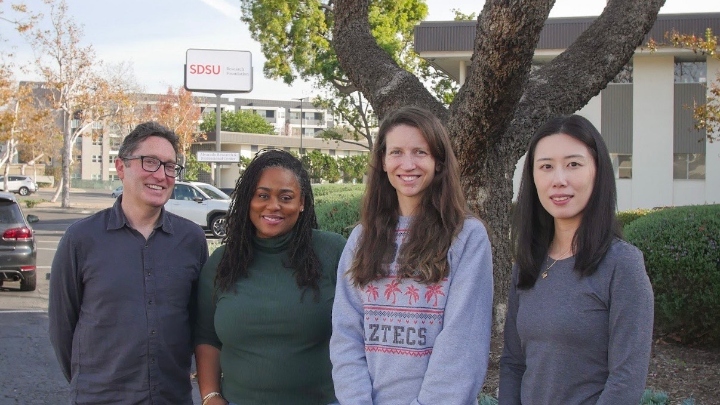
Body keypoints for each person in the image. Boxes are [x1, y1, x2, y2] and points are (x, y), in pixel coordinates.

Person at [330, 106, 494, 404]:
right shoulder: (361, 239)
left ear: (438, 162)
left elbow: (462, 346)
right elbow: (346, 335)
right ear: (382, 161)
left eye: (420, 152)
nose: (408, 164)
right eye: (396, 152)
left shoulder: (467, 237)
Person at [48, 121, 209, 404]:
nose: (161, 175)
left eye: (170, 166)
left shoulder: (192, 240)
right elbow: (62, 328)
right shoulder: (81, 239)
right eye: (150, 162)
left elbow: (198, 322)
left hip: (171, 398)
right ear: (121, 168)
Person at [499, 114, 654, 404]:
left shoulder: (622, 265)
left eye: (573, 164)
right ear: (533, 177)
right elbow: (513, 363)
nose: (559, 180)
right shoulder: (528, 265)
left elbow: (626, 381)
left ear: (598, 172)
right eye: (546, 167)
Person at [194, 149, 346, 405]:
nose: (273, 205)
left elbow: (360, 331)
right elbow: (207, 337)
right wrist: (211, 396)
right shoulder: (222, 262)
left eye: (286, 197)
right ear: (247, 200)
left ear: (302, 203)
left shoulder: (333, 253)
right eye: (262, 195)